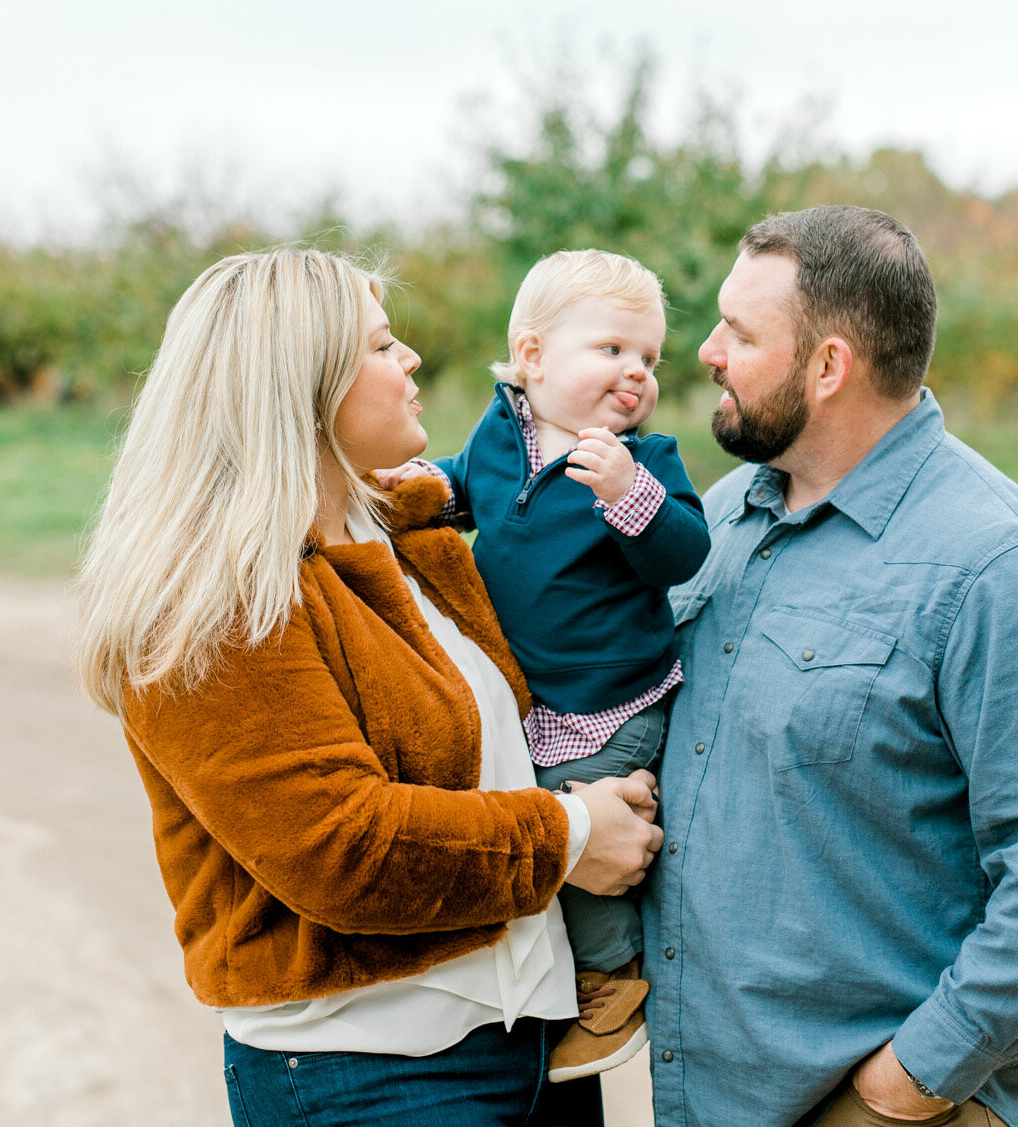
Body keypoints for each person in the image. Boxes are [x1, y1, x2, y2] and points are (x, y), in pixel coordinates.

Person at [73, 248, 663, 1127]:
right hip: (371, 1069)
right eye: (384, 346)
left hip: (532, 1044)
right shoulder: (212, 596)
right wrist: (574, 833)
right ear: (302, 383)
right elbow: (340, 844)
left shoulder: (397, 537)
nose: (413, 360)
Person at [642, 207, 1018, 1127]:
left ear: (829, 367)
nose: (707, 350)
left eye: (741, 333)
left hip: (881, 1108)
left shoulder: (998, 563)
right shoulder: (716, 517)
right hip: (712, 1094)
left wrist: (912, 1077)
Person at [379, 249, 709, 1081]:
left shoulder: (645, 459)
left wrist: (632, 496)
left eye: (650, 359)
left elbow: (683, 551)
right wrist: (421, 489)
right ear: (531, 356)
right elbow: (466, 489)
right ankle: (569, 973)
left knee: (585, 829)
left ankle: (613, 985)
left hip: (614, 693)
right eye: (612, 350)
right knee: (530, 821)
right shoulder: (499, 437)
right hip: (536, 697)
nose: (636, 373)